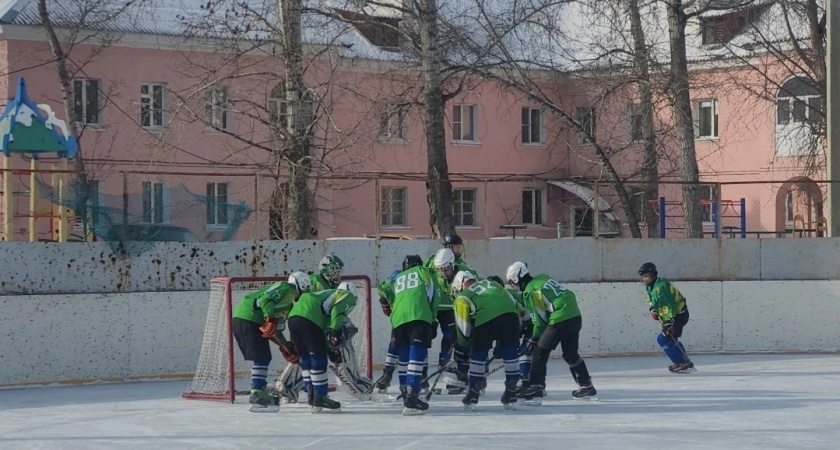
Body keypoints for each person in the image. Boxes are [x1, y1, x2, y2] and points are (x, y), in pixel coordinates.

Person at [506, 261, 596, 404]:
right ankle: (586, 385)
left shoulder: (530, 291)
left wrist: (533, 339)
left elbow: (539, 320)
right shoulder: (542, 278)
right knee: (570, 353)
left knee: (540, 350)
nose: (514, 286)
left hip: (560, 317)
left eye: (512, 282)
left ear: (517, 279)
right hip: (574, 315)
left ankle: (536, 387)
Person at [232, 271, 311, 410]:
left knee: (264, 357)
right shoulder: (287, 288)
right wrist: (269, 318)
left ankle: (258, 390)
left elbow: (277, 330)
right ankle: (257, 393)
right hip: (248, 318)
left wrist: (284, 346)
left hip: (248, 319)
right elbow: (266, 299)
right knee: (262, 357)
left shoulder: (288, 305)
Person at [451, 271, 521, 410]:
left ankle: (473, 393)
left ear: (458, 286)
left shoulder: (462, 297)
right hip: (512, 316)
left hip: (486, 318)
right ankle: (512, 390)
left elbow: (464, 329)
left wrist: (463, 347)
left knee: (478, 354)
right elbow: (517, 306)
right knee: (510, 353)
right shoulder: (493, 284)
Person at [287, 281, 358, 413]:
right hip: (310, 317)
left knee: (306, 359)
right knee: (318, 360)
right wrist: (335, 332)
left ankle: (312, 397)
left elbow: (323, 329)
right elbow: (337, 311)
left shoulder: (325, 296)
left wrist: (329, 348)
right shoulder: (347, 294)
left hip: (293, 318)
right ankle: (320, 397)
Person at [390, 254, 444, 415]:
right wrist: (433, 320)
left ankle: (406, 394)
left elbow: (392, 296)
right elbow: (435, 296)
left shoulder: (398, 277)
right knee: (417, 356)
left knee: (404, 358)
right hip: (419, 316)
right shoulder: (425, 271)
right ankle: (413, 395)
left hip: (398, 320)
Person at [638, 262, 695, 373]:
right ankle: (684, 361)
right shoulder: (652, 287)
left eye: (646, 276)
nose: (644, 279)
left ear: (653, 275)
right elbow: (653, 302)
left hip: (678, 315)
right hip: (675, 315)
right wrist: (653, 310)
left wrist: (668, 322)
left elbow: (669, 305)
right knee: (671, 339)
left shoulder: (661, 287)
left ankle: (681, 362)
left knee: (663, 338)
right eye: (643, 277)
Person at [430, 248, 479, 368]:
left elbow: (474, 299)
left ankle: (475, 374)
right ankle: (462, 373)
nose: (443, 273)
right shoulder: (441, 278)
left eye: (445, 269)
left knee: (470, 343)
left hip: (476, 310)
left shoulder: (466, 275)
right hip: (461, 308)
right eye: (440, 270)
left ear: (452, 264)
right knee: (456, 340)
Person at [372, 269, 401, 393]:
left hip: (414, 317)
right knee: (394, 346)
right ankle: (387, 374)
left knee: (417, 347)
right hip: (399, 319)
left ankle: (422, 376)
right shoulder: (386, 287)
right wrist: (384, 303)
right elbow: (387, 310)